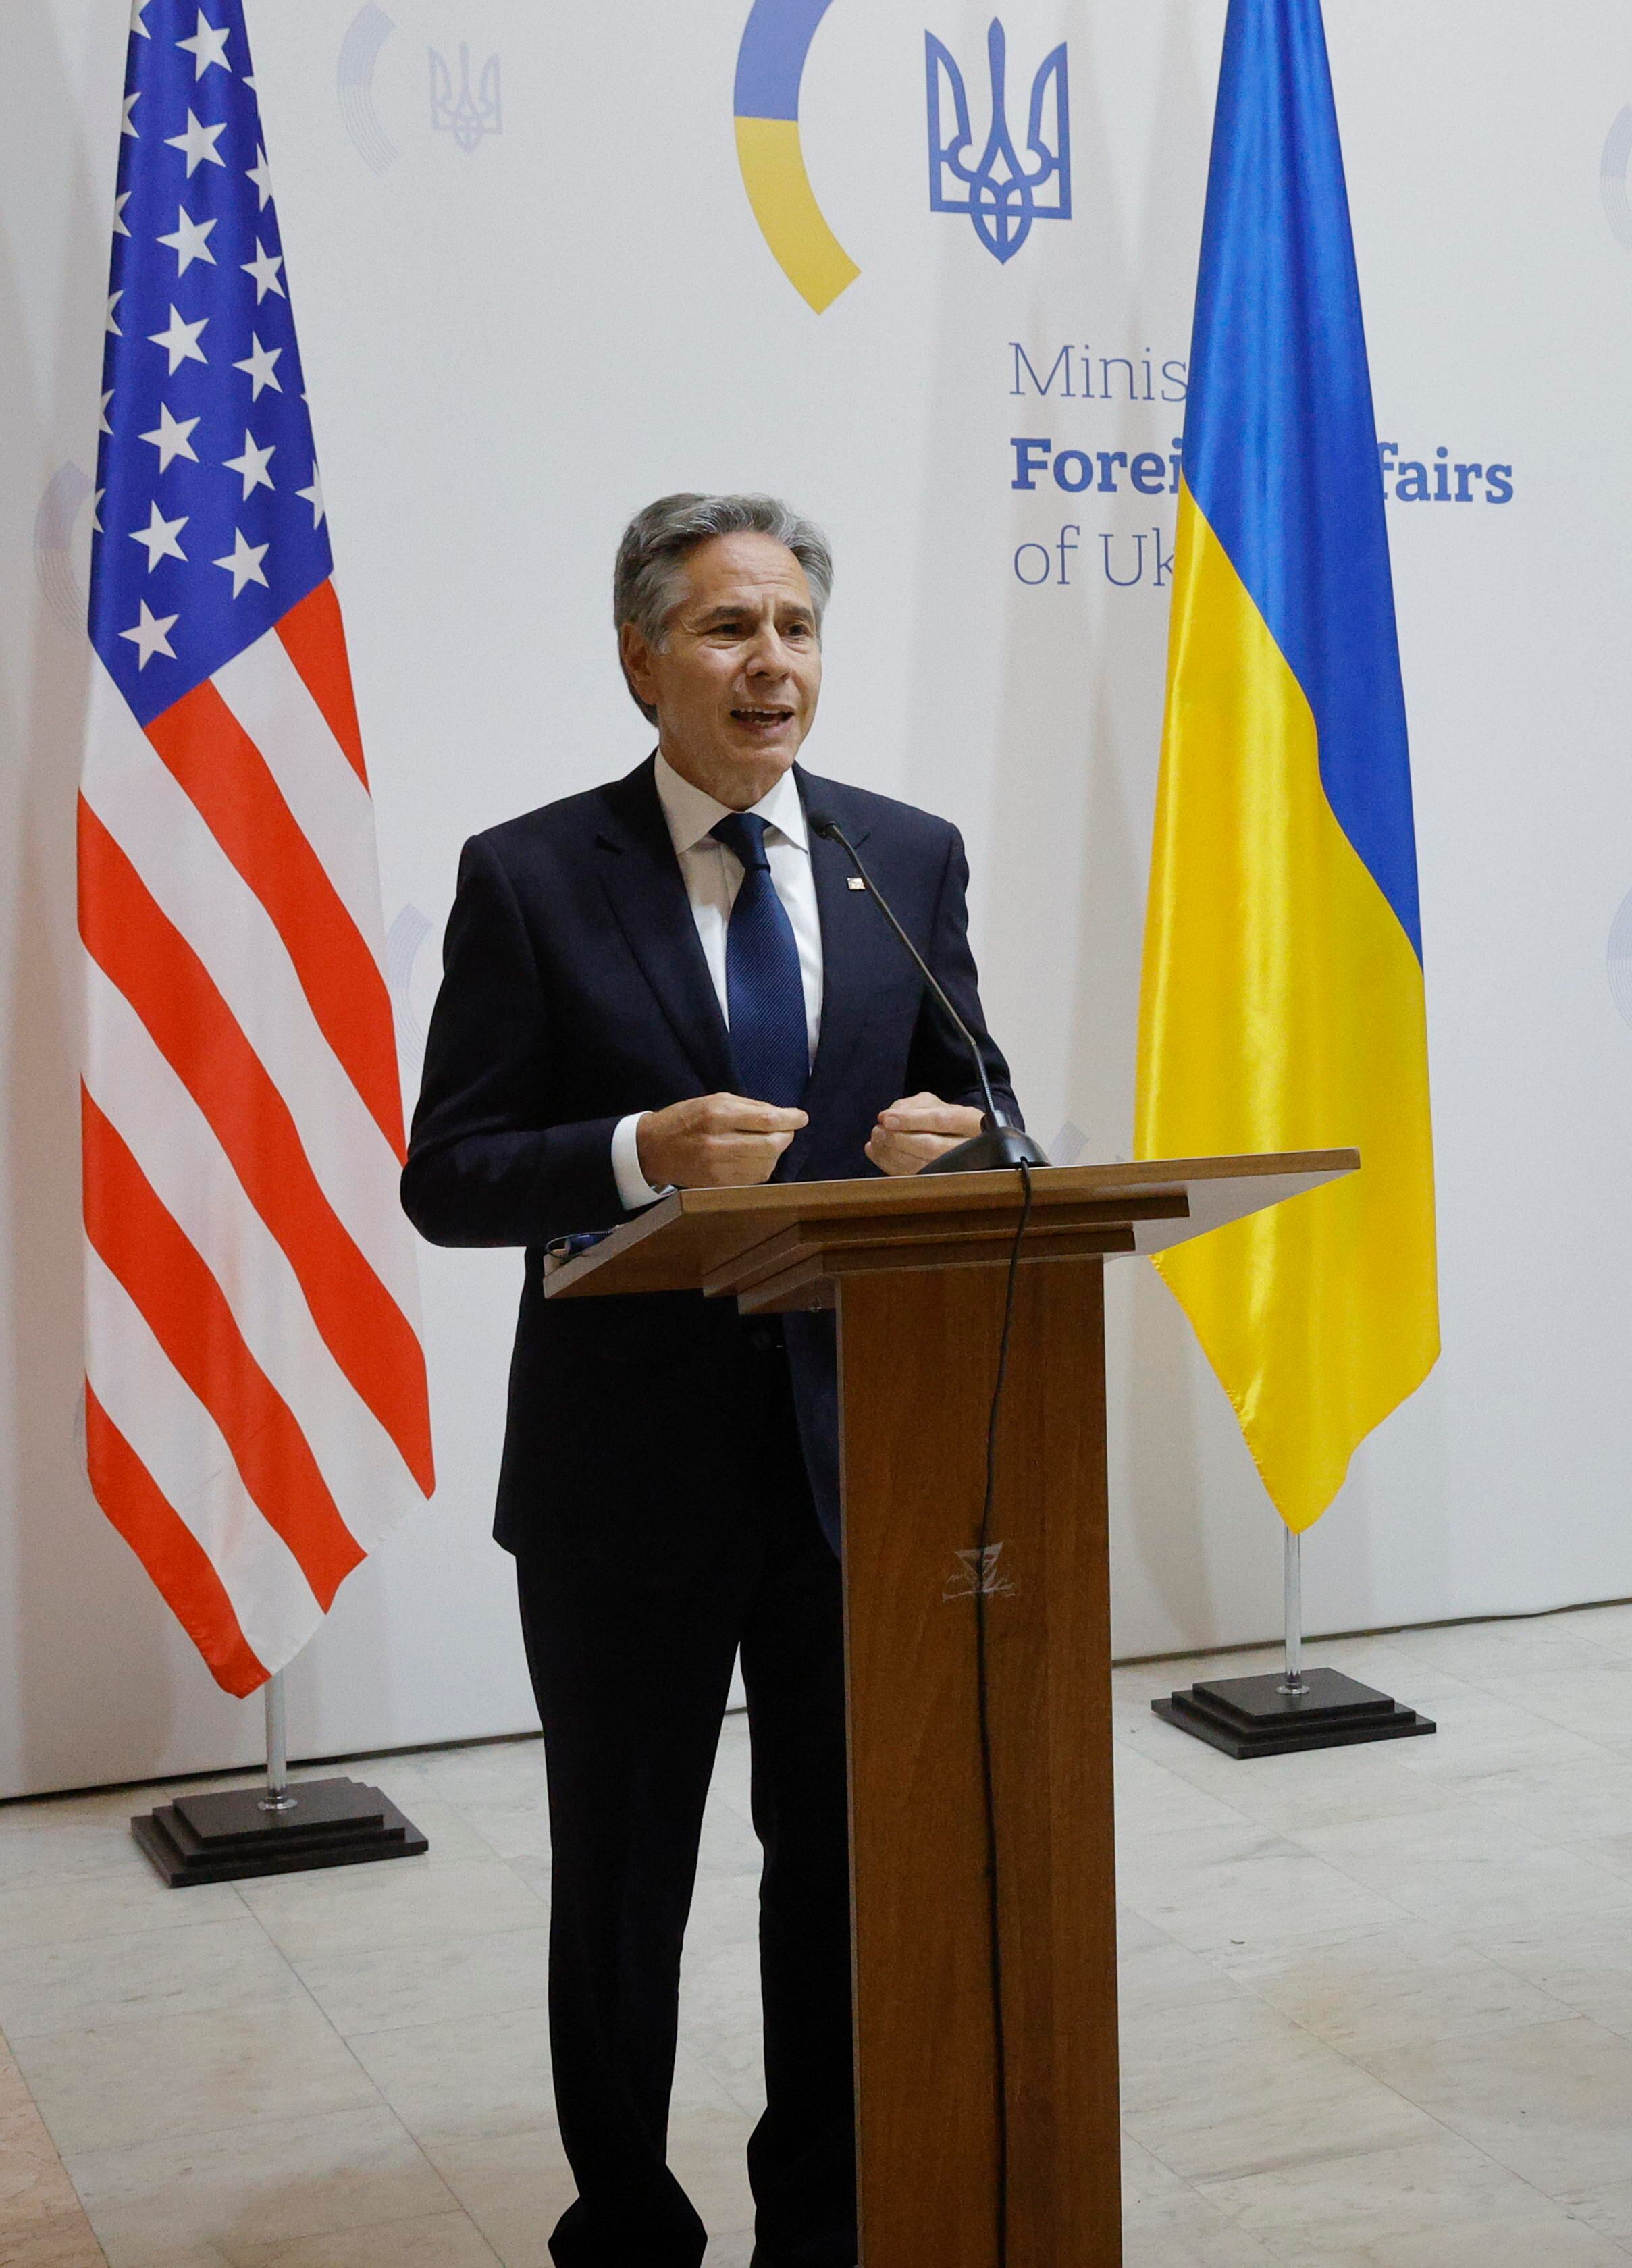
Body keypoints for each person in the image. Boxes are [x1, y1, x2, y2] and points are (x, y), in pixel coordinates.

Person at [403, 493, 1021, 2265]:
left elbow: (1001, 1117)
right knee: (626, 1882)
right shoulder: (531, 874)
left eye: (799, 628)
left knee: (831, 1872)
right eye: (731, 629)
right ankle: (625, 2219)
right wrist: (632, 1152)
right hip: (625, 1483)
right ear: (639, 659)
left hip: (853, 1475)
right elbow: (450, 1174)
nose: (774, 663)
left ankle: (817, 2220)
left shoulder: (904, 860)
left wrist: (954, 1151)